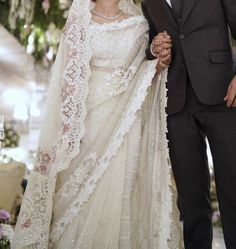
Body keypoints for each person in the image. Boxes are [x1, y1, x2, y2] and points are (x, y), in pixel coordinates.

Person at [12, 0, 183, 248]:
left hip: (128, 118)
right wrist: (70, 129)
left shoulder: (140, 19)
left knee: (123, 190)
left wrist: (158, 58)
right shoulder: (81, 18)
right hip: (89, 121)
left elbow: (145, 66)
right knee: (82, 195)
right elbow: (70, 80)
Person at [142, 0, 236, 248]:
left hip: (224, 94)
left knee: (233, 187)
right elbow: (144, 46)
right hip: (176, 103)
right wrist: (154, 49)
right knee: (191, 200)